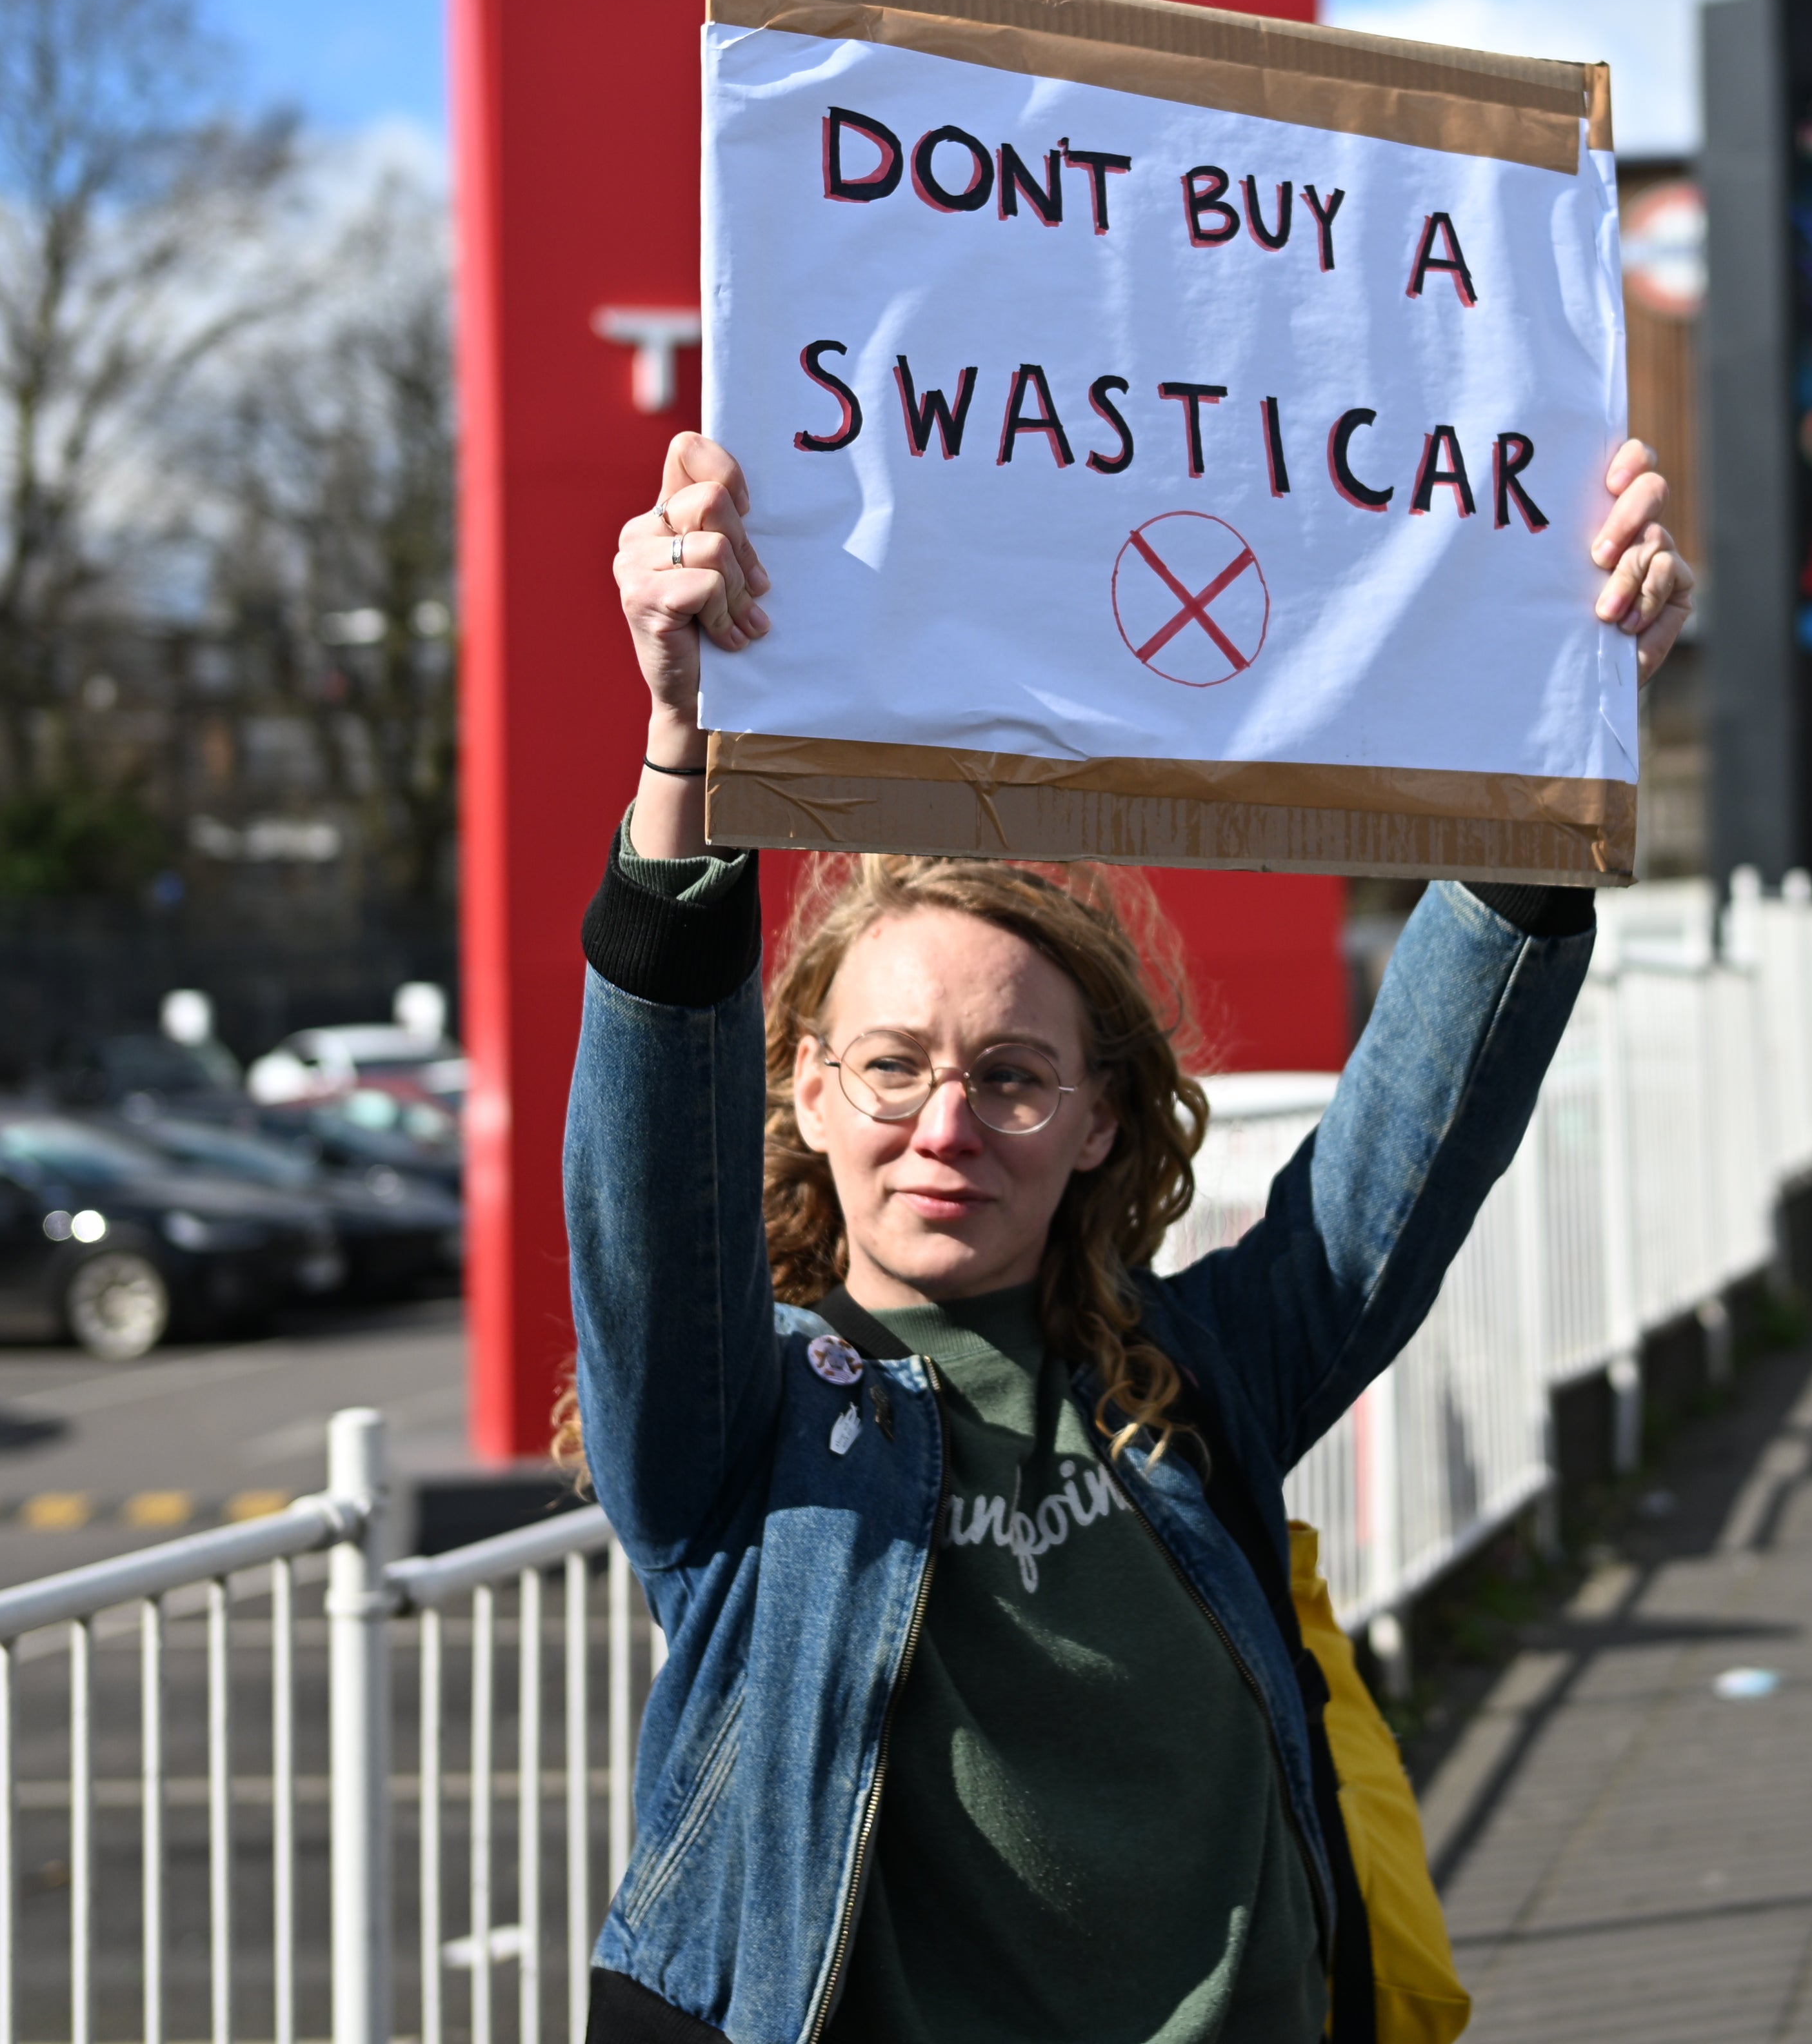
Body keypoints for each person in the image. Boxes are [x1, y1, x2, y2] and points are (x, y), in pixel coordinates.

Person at [562, 429, 1693, 2043]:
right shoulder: (736, 1432)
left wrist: (1562, 725)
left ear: (1101, 1119)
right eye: (891, 1068)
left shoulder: (1201, 1375)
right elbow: (643, 1200)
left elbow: (1415, 1134)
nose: (945, 1123)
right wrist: (684, 744)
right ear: (805, 1090)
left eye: (1014, 1078)